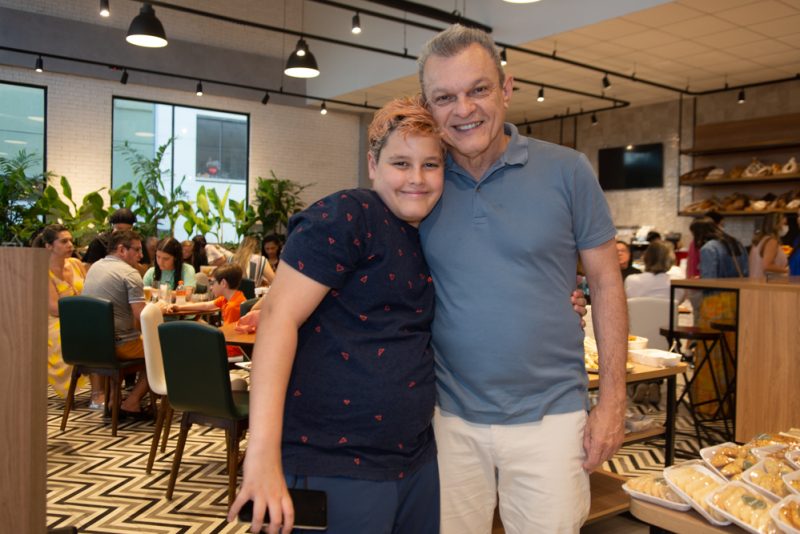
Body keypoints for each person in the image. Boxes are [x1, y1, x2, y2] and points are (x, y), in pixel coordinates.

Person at [416, 25, 627, 533]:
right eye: (445, 97)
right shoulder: (420, 184)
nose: (463, 109)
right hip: (446, 418)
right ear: (428, 107)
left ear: (506, 90)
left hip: (551, 421)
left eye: (478, 90)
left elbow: (604, 283)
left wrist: (613, 402)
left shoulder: (568, 171)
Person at [228, 96, 447, 534]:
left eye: (431, 165)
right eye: (401, 163)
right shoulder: (349, 214)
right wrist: (262, 457)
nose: (417, 179)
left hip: (416, 459)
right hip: (335, 461)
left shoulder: (432, 232)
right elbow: (277, 319)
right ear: (373, 164)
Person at [81, 230, 150, 414]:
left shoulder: (95, 267)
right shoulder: (130, 274)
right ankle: (132, 402)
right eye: (137, 250)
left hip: (90, 344)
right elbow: (141, 315)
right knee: (163, 351)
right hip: (118, 345)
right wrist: (157, 310)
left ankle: (114, 399)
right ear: (121, 250)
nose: (141, 255)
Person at [36, 224, 105, 407]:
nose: (70, 245)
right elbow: (54, 308)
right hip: (57, 322)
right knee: (89, 335)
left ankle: (108, 390)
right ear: (49, 246)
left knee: (106, 330)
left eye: (71, 241)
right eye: (64, 241)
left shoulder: (75, 264)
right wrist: (84, 308)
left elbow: (91, 290)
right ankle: (97, 393)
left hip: (83, 317)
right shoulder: (43, 271)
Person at [688, 217, 748, 416]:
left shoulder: (709, 248)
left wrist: (698, 279)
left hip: (715, 304)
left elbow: (709, 280)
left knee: (711, 355)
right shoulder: (736, 243)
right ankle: (729, 403)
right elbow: (746, 274)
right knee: (730, 352)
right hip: (736, 303)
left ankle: (709, 404)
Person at [168, 263, 245, 324]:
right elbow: (206, 305)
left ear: (223, 283)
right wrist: (179, 307)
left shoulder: (232, 307)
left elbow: (228, 336)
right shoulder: (229, 298)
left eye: (212, 283)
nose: (211, 287)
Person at [82, 208, 149, 267]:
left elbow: (145, 268)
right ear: (113, 227)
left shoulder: (137, 242)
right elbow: (89, 267)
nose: (124, 233)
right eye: (119, 229)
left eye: (128, 230)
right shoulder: (99, 242)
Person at [749, 212, 788, 278]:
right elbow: (767, 265)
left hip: (756, 284)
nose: (785, 227)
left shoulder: (758, 241)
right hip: (766, 285)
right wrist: (787, 270)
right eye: (784, 224)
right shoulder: (771, 241)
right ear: (776, 224)